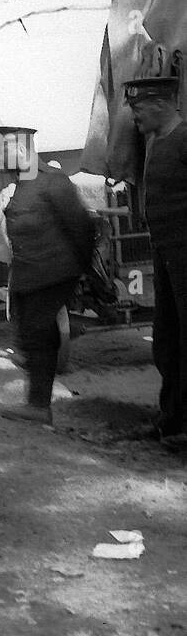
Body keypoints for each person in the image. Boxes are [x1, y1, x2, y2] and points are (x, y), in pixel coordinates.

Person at [0, 156, 96, 425]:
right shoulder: (20, 183)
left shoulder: (52, 181)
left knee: (39, 333)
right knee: (32, 334)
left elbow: (81, 226)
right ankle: (37, 403)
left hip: (52, 271)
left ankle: (39, 406)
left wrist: (81, 269)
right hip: (30, 273)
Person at [125, 75, 187, 450]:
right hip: (167, 257)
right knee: (167, 340)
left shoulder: (183, 139)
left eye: (138, 109)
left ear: (162, 104)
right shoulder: (157, 142)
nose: (135, 118)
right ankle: (172, 421)